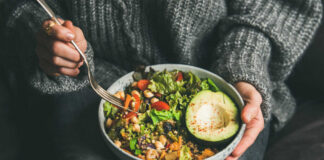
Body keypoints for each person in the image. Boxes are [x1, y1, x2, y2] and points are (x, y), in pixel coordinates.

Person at [2, 0, 322, 159]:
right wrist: (45, 33)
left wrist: (245, 60)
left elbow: (278, 5)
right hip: (87, 81)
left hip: (224, 76)